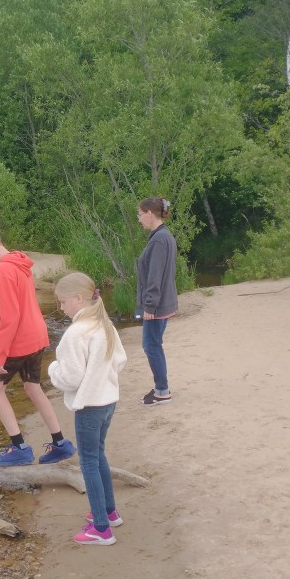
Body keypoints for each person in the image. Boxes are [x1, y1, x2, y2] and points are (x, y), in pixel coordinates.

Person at [0, 221, 76, 467]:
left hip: (20, 340)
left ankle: (19, 447)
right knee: (33, 387)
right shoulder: (20, 261)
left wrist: (0, 356)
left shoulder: (3, 270)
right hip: (38, 335)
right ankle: (60, 443)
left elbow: (10, 318)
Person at [48, 272, 128, 546]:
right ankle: (109, 511)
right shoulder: (104, 324)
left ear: (78, 298)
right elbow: (120, 360)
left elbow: (70, 377)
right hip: (108, 400)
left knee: (89, 463)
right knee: (98, 455)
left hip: (90, 405)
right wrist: (102, 377)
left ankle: (101, 529)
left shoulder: (76, 333)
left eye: (62, 302)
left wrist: (52, 369)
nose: (61, 307)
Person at [136, 196, 178, 406]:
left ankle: (162, 391)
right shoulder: (161, 236)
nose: (139, 218)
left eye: (140, 214)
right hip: (161, 302)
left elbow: (155, 276)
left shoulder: (160, 239)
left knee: (151, 346)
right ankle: (161, 387)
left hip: (157, 305)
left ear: (149, 214)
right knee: (154, 345)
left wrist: (149, 305)